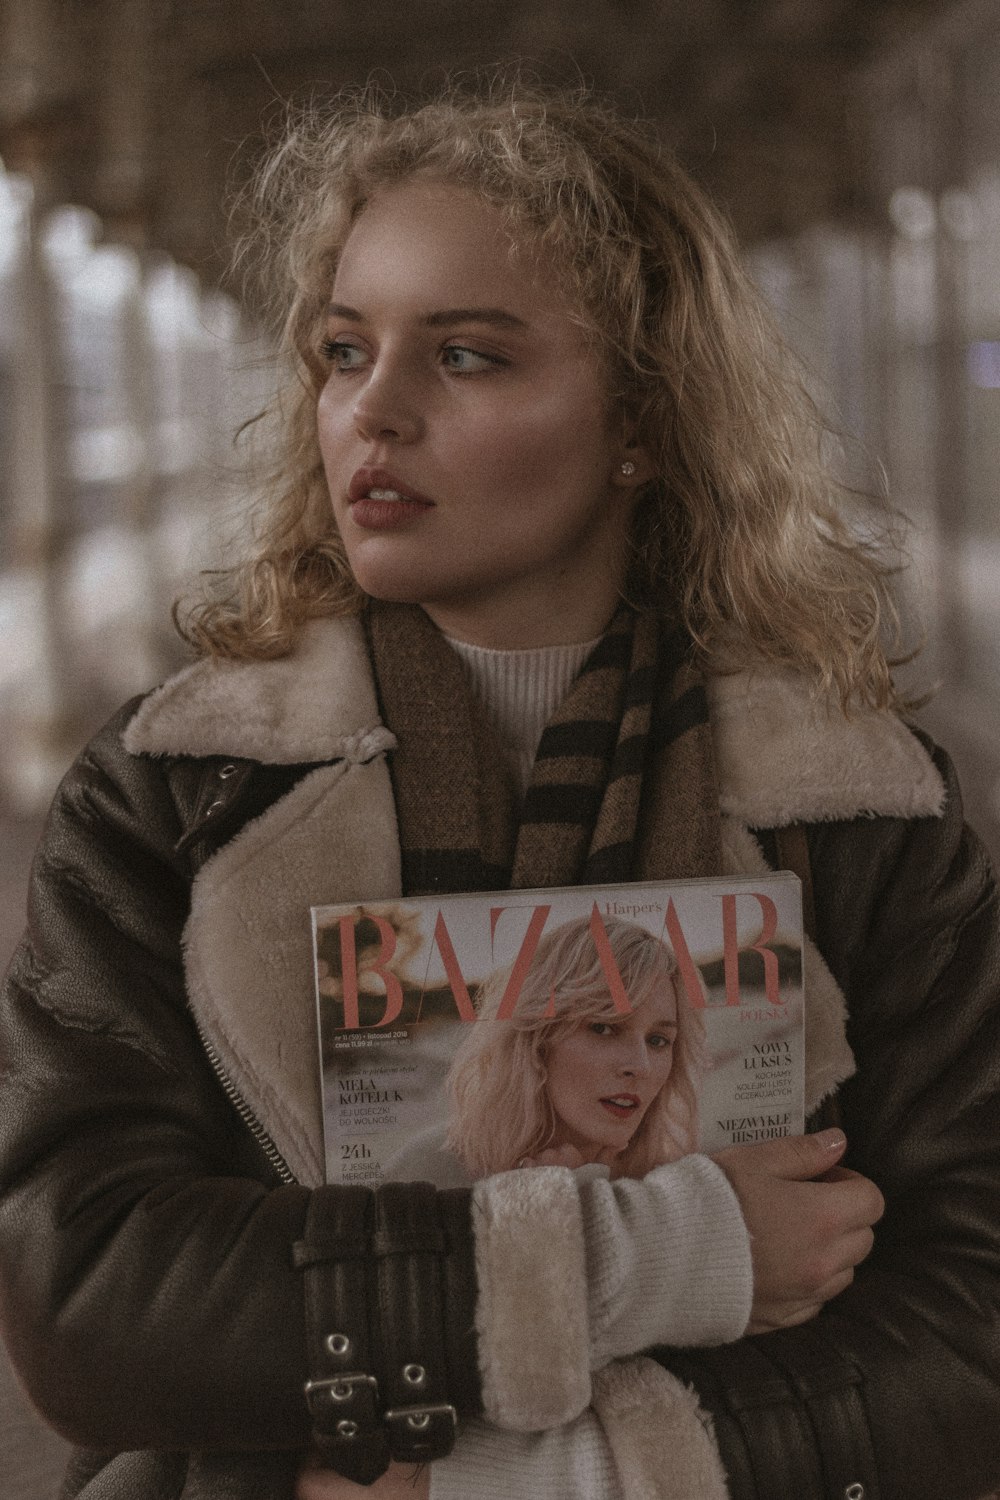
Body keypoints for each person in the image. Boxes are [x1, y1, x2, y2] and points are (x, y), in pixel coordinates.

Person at [1, 79, 998, 1500]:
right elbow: (82, 1294)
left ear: (644, 425)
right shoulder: (175, 790)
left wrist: (539, 1477)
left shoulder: (861, 811)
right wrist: (675, 1253)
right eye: (345, 351)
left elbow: (973, 1326)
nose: (373, 413)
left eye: (466, 357)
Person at [446, 914, 705, 1178]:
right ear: (537, 1037)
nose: (641, 1066)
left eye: (657, 1041)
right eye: (603, 1027)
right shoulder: (437, 1170)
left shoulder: (672, 1187)